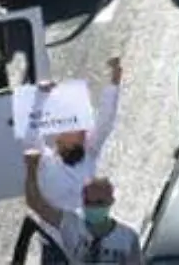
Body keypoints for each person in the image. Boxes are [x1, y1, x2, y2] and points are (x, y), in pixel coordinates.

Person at [32, 58, 125, 214]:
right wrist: (39, 100)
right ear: (59, 136)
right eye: (76, 128)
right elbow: (31, 135)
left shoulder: (89, 152)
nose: (84, 132)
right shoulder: (44, 163)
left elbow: (105, 121)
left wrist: (114, 81)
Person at [23, 148, 143, 264]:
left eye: (99, 202)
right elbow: (36, 203)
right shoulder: (71, 224)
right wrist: (32, 167)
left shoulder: (127, 238)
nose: (94, 207)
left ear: (111, 201)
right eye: (89, 202)